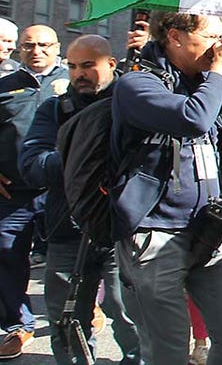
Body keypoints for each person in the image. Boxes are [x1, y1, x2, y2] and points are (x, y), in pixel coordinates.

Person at [108, 11, 222, 365]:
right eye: (212, 38)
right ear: (175, 37)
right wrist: (221, 71)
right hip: (156, 232)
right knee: (170, 351)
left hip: (208, 230)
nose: (220, 47)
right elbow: (192, 119)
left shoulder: (203, 84)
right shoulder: (137, 83)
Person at [18, 35, 141, 364]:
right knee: (66, 323)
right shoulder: (55, 108)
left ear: (111, 64)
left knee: (130, 315)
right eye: (72, 66)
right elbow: (32, 166)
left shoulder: (134, 103)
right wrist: (86, 154)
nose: (79, 74)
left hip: (122, 229)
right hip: (67, 229)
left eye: (88, 65)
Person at [0, 25, 68, 359]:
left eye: (44, 45)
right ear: (19, 49)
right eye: (29, 45)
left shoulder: (76, 83)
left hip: (62, 188)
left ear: (57, 47)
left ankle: (84, 310)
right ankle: (19, 325)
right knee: (8, 255)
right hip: (14, 191)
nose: (36, 50)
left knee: (67, 258)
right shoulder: (5, 86)